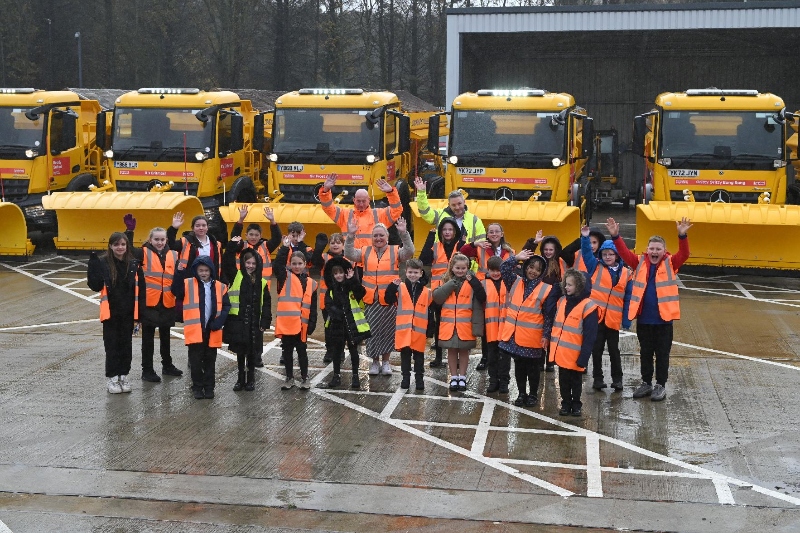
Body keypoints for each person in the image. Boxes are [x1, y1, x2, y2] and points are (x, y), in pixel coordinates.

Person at [607, 216, 692, 402]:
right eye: (651, 249)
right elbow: (623, 252)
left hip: (664, 321)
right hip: (644, 320)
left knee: (662, 355)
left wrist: (682, 236)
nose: (654, 252)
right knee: (645, 354)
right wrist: (615, 236)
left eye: (658, 249)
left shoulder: (671, 263)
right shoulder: (638, 262)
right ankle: (646, 382)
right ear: (647, 250)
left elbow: (684, 254)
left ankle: (660, 385)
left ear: (664, 251)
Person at [345, 217, 414, 376]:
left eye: (381, 235)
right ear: (371, 238)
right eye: (375, 235)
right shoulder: (364, 251)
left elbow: (409, 251)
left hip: (389, 300)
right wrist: (350, 236)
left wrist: (404, 234)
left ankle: (386, 362)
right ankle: (375, 362)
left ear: (387, 237)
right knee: (372, 333)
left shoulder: (396, 251)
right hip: (370, 300)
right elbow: (349, 253)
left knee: (387, 332)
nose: (378, 238)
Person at [122, 215, 184, 382]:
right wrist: (129, 232)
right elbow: (127, 250)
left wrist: (174, 228)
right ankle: (147, 370)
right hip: (149, 302)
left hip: (167, 301)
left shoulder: (172, 254)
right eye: (156, 239)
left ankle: (167, 365)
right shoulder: (143, 252)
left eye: (162, 239)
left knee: (166, 336)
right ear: (150, 239)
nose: (160, 242)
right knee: (148, 339)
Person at [498, 250, 558, 406]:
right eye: (531, 267)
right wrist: (516, 258)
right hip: (515, 336)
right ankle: (521, 393)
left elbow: (548, 316)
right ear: (525, 267)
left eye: (538, 269)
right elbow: (503, 268)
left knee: (533, 368)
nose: (533, 271)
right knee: (519, 367)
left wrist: (546, 335)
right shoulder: (516, 281)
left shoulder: (546, 289)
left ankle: (533, 394)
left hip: (533, 336)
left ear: (542, 272)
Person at [225, 205, 281, 368]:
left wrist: (272, 221)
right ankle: (244, 353)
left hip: (261, 290)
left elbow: (276, 238)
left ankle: (257, 356)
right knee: (245, 324)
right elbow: (234, 237)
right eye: (251, 234)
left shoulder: (265, 247)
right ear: (246, 235)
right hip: (244, 289)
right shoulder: (241, 247)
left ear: (260, 236)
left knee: (259, 326)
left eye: (257, 235)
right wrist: (240, 219)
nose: (254, 237)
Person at [579, 224, 633, 392]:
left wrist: (626, 318)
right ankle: (598, 378)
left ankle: (617, 379)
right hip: (596, 317)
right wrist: (585, 237)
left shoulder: (626, 273)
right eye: (604, 254)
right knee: (596, 349)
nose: (608, 257)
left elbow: (628, 298)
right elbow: (586, 252)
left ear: (617, 255)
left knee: (614, 351)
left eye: (611, 254)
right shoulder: (595, 266)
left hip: (613, 320)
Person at [171, 256, 231, 400]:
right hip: (195, 331)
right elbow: (176, 291)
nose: (203, 273)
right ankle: (197, 387)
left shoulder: (220, 286)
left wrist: (219, 322)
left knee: (210, 361)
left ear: (211, 271)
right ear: (195, 271)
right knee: (196, 362)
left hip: (212, 329)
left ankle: (209, 387)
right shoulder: (187, 283)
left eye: (206, 270)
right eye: (200, 270)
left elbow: (226, 306)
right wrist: (178, 273)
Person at [87, 232, 140, 394]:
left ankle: (123, 377)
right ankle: (112, 379)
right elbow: (95, 286)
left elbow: (139, 289)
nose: (120, 247)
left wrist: (139, 315)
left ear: (127, 246)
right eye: (116, 244)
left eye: (123, 244)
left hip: (128, 313)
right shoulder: (103, 263)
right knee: (112, 347)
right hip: (111, 313)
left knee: (126, 346)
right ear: (110, 246)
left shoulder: (132, 264)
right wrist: (93, 268)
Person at [460, 222, 515, 370]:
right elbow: (462, 251)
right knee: (486, 326)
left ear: (502, 233)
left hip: (503, 292)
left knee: (502, 324)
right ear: (487, 234)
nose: (494, 234)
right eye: (491, 232)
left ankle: (502, 356)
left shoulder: (509, 251)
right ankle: (486, 357)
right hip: (485, 290)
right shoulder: (481, 248)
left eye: (497, 231)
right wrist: (474, 243)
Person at [432, 253, 486, 391]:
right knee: (451, 351)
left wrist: (473, 281)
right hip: (449, 324)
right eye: (458, 268)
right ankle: (454, 376)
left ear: (467, 268)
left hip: (465, 324)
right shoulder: (445, 280)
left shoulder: (472, 280)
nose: (460, 271)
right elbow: (437, 298)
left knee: (463, 351)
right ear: (452, 268)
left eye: (463, 268)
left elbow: (481, 296)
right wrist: (450, 284)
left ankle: (462, 376)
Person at [549, 268, 599, 417]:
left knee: (576, 382)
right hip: (562, 353)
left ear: (579, 286)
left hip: (576, 354)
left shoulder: (589, 306)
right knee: (563, 381)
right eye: (565, 284)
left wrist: (584, 357)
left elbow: (590, 335)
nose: (566, 287)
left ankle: (576, 404)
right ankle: (565, 403)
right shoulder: (563, 301)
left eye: (570, 285)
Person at [222, 247, 271, 392]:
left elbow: (266, 303)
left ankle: (251, 379)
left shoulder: (262, 282)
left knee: (251, 353)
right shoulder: (236, 276)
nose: (250, 266)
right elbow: (227, 262)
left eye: (253, 263)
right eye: (248, 263)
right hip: (239, 321)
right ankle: (240, 379)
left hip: (254, 321)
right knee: (240, 352)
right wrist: (233, 245)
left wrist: (265, 321)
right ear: (243, 263)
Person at [420, 217, 465, 368]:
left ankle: (457, 357)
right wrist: (430, 236)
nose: (447, 232)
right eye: (444, 229)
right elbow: (424, 259)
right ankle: (439, 357)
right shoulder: (435, 245)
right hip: (439, 291)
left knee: (457, 324)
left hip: (456, 290)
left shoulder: (461, 245)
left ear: (455, 232)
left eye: (450, 229)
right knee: (439, 324)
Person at [274, 238, 318, 390]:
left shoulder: (311, 282)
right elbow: (277, 265)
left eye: (300, 263)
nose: (297, 266)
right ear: (290, 265)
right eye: (294, 263)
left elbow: (313, 306)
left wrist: (312, 323)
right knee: (287, 352)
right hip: (287, 323)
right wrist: (285, 248)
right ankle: (289, 377)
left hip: (302, 324)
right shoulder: (284, 277)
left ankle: (305, 378)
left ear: (305, 264)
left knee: (302, 352)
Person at [319, 173, 403, 251]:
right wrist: (325, 191)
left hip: (372, 258)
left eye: (364, 201)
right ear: (354, 200)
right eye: (358, 201)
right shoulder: (344, 214)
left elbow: (397, 210)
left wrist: (391, 193)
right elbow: (328, 208)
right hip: (351, 259)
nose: (361, 204)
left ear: (368, 200)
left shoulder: (379, 214)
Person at [321, 256, 371, 389]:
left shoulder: (351, 287)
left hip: (352, 325)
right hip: (337, 325)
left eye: (341, 272)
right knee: (337, 352)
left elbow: (361, 292)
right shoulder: (331, 291)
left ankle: (355, 376)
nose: (338, 275)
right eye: (335, 273)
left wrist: (352, 280)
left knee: (354, 351)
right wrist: (338, 314)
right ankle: (336, 376)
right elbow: (328, 305)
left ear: (345, 273)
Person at [385, 259, 433, 391]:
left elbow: (430, 311)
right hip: (404, 330)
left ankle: (419, 379)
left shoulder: (427, 291)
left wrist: (430, 329)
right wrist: (391, 287)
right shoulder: (399, 288)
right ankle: (405, 378)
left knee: (419, 358)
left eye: (416, 272)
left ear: (421, 273)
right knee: (405, 357)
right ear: (405, 272)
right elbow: (388, 299)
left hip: (419, 331)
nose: (413, 275)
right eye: (410, 272)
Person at [414, 176, 486, 244]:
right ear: (449, 205)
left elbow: (482, 243)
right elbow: (425, 212)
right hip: (443, 255)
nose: (457, 207)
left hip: (465, 256)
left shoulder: (474, 220)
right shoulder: (440, 215)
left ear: (464, 202)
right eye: (453, 205)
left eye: (459, 204)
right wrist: (421, 193)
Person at [312, 232, 345, 364]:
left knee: (341, 326)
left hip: (342, 298)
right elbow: (315, 261)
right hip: (327, 298)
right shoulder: (324, 257)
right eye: (333, 242)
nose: (335, 245)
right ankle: (330, 350)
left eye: (338, 242)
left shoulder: (347, 258)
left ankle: (340, 350)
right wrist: (319, 246)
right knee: (328, 325)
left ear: (343, 245)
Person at [168, 212, 224, 282]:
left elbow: (221, 265)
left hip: (211, 280)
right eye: (197, 226)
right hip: (190, 280)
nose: (201, 228)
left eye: (203, 225)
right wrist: (173, 228)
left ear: (207, 227)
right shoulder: (185, 241)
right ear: (193, 228)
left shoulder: (216, 244)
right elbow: (170, 245)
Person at [481, 256, 509, 394]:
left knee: (505, 358)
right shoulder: (483, 284)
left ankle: (504, 382)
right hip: (490, 328)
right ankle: (493, 380)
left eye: (498, 270)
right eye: (492, 270)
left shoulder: (509, 282)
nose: (496, 273)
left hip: (505, 328)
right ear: (488, 270)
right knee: (492, 357)